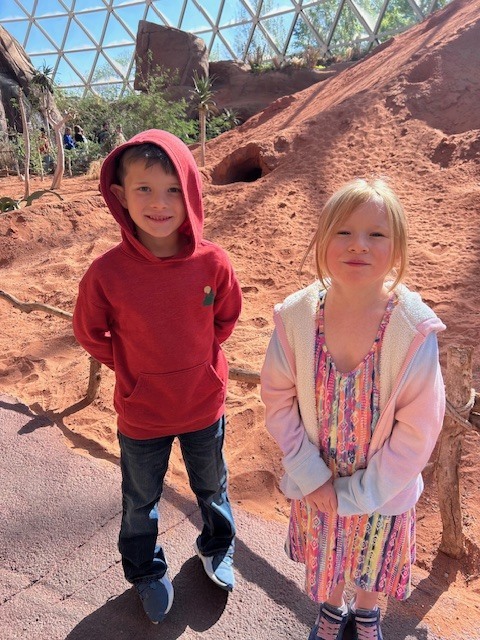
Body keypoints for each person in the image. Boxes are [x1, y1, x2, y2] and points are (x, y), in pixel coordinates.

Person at [260, 178, 445, 640]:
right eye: (343, 232)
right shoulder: (298, 317)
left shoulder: (411, 330)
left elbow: (418, 430)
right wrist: (311, 473)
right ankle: (330, 609)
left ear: (397, 248)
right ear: (322, 240)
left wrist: (360, 493)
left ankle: (366, 614)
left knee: (372, 556)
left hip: (383, 485)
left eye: (376, 234)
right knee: (330, 556)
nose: (358, 245)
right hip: (316, 478)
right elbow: (278, 399)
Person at [72, 129, 242, 625]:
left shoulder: (212, 263)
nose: (160, 203)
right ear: (121, 195)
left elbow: (226, 318)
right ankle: (145, 571)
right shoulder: (107, 273)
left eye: (172, 189)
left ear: (190, 190)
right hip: (142, 413)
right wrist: (134, 369)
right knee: (139, 500)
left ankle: (216, 546)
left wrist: (201, 365)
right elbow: (90, 332)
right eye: (144, 189)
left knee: (212, 487)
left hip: (202, 406)